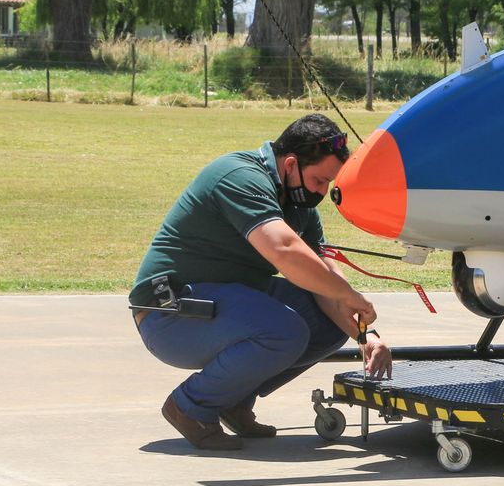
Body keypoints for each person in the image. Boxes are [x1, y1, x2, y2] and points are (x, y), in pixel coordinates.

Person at [130, 113, 391, 450]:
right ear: (292, 163)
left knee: (327, 323)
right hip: (170, 314)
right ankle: (189, 406)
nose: (322, 193)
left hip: (217, 304)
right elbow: (284, 250)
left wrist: (365, 335)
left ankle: (232, 400)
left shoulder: (298, 204)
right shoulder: (240, 177)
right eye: (320, 180)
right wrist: (349, 295)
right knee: (285, 329)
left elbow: (324, 275)